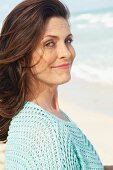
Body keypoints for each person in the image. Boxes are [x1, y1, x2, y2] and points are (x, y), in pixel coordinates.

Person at [0, 0, 104, 169]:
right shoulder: (47, 134)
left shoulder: (47, 115)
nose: (66, 53)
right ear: (22, 53)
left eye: (68, 40)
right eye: (50, 44)